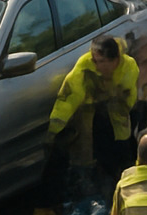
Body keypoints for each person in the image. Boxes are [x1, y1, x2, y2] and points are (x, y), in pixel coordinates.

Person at [47, 35, 140, 183]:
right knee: (95, 158)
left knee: (124, 156)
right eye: (94, 61)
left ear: (115, 60)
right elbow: (69, 99)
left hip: (118, 118)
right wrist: (54, 130)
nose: (96, 65)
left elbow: (129, 98)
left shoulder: (129, 67)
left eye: (101, 61)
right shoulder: (85, 66)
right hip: (93, 116)